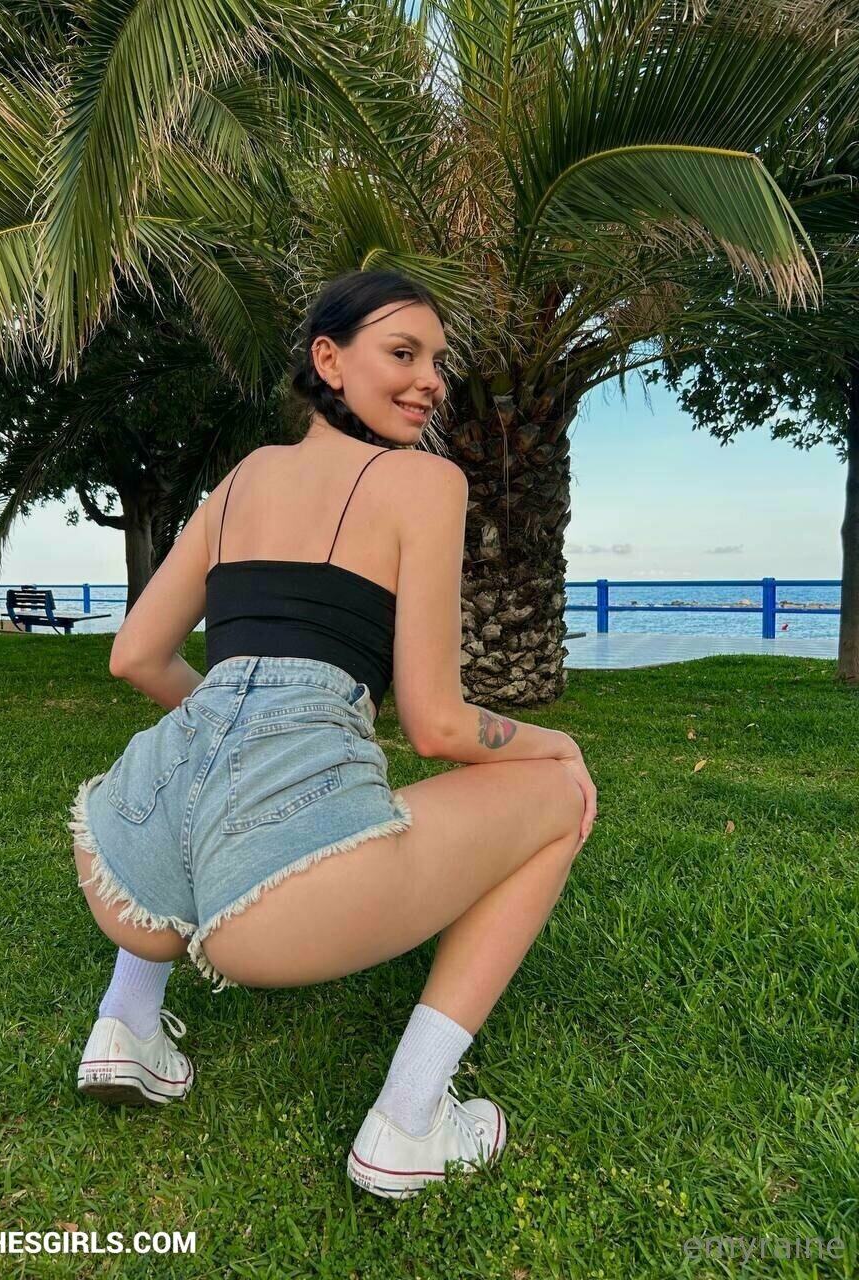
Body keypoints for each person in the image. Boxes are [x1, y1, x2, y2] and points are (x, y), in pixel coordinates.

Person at [69, 269, 597, 1200]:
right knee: (560, 799)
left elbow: (137, 657)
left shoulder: (243, 478)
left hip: (123, 861)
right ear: (329, 359)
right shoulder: (426, 482)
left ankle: (126, 1024)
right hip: (272, 916)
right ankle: (411, 1120)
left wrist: (237, 720)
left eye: (438, 361)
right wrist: (551, 745)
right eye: (403, 353)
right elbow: (436, 724)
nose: (431, 381)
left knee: (206, 766)